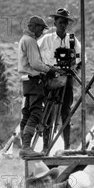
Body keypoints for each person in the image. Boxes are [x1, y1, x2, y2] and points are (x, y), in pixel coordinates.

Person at [38, 8, 82, 150]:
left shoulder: (72, 39)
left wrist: (75, 66)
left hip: (67, 76)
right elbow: (35, 54)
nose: (63, 25)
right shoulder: (47, 39)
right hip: (51, 77)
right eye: (61, 22)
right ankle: (46, 146)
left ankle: (67, 146)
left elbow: (81, 56)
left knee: (66, 111)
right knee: (48, 112)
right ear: (55, 22)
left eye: (65, 23)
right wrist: (45, 68)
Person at [18, 15, 59, 158]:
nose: (42, 32)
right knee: (36, 112)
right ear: (34, 27)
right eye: (41, 29)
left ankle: (24, 145)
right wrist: (50, 69)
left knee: (27, 113)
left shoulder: (24, 39)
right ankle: (26, 146)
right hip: (34, 80)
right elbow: (35, 64)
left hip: (26, 81)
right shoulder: (30, 41)